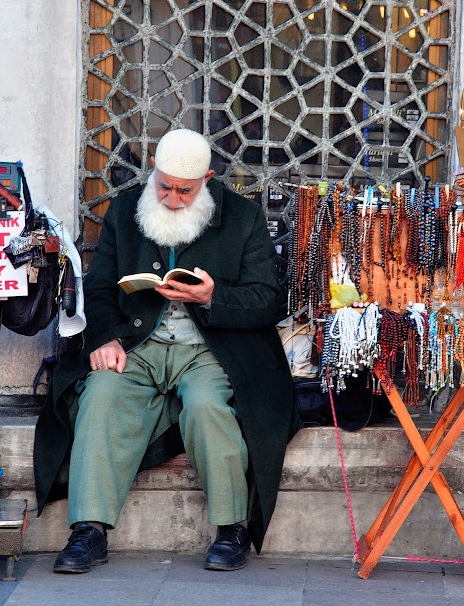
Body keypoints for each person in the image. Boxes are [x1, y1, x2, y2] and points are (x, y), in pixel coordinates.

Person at [33, 128, 302, 573]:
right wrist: (105, 339)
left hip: (209, 351)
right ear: (153, 172)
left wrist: (212, 298)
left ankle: (232, 528)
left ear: (208, 179)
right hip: (138, 346)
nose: (172, 198)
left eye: (184, 190)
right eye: (164, 186)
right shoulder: (124, 210)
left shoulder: (242, 217)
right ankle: (89, 531)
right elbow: (98, 289)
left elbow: (267, 299)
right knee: (99, 397)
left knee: (207, 408)